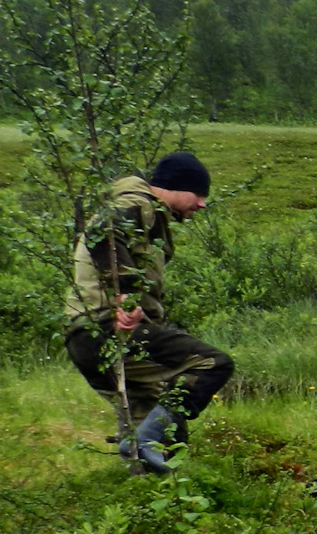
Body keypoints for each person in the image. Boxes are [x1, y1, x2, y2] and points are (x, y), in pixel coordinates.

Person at [63, 150, 234, 474]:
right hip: (105, 329)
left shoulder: (148, 217)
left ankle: (153, 500)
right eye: (198, 194)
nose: (202, 204)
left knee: (156, 423)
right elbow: (104, 235)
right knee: (213, 363)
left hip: (84, 337)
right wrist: (126, 295)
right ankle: (145, 450)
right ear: (175, 186)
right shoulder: (137, 202)